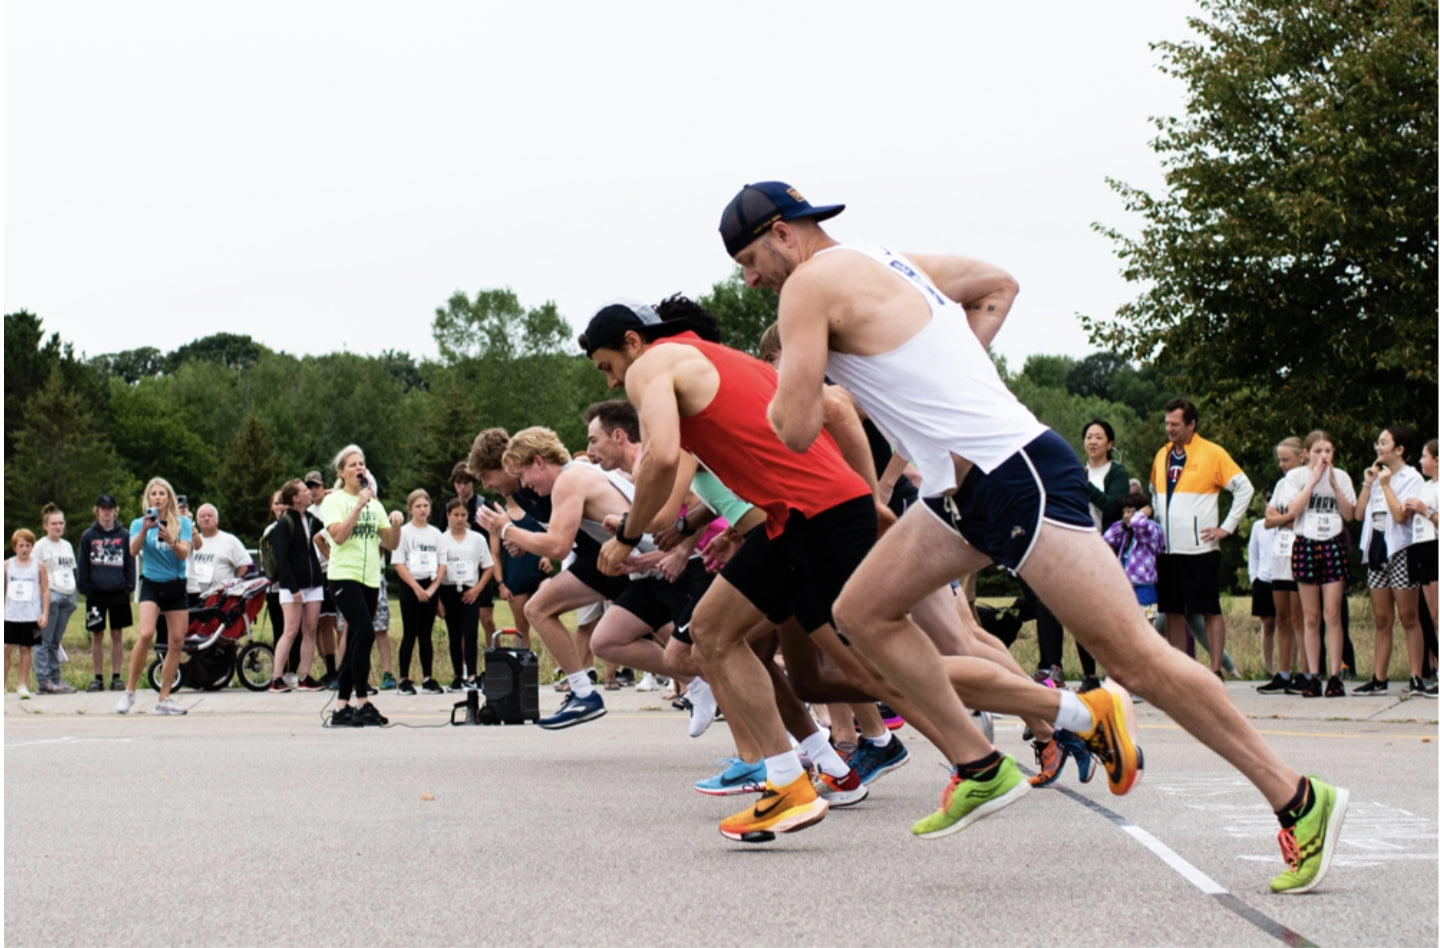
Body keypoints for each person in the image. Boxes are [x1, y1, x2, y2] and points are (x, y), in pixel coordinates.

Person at [721, 179, 1344, 892]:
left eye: (747, 259)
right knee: (861, 613)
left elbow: (796, 427)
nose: (750, 278)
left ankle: (1297, 797)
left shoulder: (806, 286)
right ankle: (980, 766)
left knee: (1135, 659)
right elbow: (996, 286)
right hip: (959, 489)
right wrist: (956, 383)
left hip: (1015, 473)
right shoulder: (888, 259)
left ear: (782, 234)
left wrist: (771, 398)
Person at [1148, 397, 1255, 676]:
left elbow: (1245, 489)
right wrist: (1155, 521)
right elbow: (1153, 490)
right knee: (1172, 609)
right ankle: (1180, 671)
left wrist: (1227, 527)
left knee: (1209, 608)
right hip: (1167, 548)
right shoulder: (1162, 455)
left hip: (1200, 547)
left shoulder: (1212, 453)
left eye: (1175, 424)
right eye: (1167, 423)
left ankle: (1216, 669)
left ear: (1191, 424)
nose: (1170, 429)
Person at [318, 447, 403, 726]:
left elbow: (389, 544)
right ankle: (362, 700)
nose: (359, 468)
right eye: (353, 465)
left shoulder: (375, 504)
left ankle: (342, 707)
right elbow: (339, 537)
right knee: (365, 633)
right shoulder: (335, 501)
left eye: (362, 464)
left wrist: (396, 524)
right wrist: (357, 506)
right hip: (344, 577)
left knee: (356, 637)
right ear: (341, 472)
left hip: (369, 579)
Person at [1274, 432, 1356, 698]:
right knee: (1310, 617)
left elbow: (1349, 514)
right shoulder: (1295, 478)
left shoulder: (1341, 477)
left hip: (1332, 541)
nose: (1324, 456)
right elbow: (1293, 510)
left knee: (1332, 614)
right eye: (1318, 451)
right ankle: (1312, 675)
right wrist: (1312, 482)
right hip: (1306, 541)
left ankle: (1335, 674)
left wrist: (1333, 484)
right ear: (1307, 453)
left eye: (1328, 451)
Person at [1355, 427, 1427, 695]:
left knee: (1409, 617)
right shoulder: (1376, 477)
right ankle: (1379, 677)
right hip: (1376, 548)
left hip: (1401, 549)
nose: (1378, 447)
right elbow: (1360, 514)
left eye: (1384, 443)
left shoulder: (1411, 477)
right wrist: (1369, 482)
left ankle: (1416, 676)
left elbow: (1400, 516)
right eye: (1378, 442)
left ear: (1399, 449)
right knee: (1382, 618)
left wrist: (1385, 485)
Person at [116, 477, 193, 716]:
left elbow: (183, 554)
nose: (158, 498)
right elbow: (132, 550)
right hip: (151, 583)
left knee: (177, 641)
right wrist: (145, 531)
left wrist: (170, 539)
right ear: (148, 498)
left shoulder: (182, 523)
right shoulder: (140, 523)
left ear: (169, 497)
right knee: (146, 633)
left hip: (175, 585)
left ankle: (164, 697)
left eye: (162, 493)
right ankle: (129, 691)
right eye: (154, 494)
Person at [268, 479, 327, 692]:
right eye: (304, 490)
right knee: (290, 630)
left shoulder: (310, 519)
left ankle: (304, 676)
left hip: (313, 583)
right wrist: (293, 588)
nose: (309, 492)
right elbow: (282, 559)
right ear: (295, 498)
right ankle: (276, 677)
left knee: (310, 630)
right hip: (292, 586)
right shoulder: (284, 524)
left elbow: (328, 528)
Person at [1260, 438, 1306, 695]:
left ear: (1302, 457)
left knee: (1300, 617)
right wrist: (1289, 518)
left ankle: (1306, 671)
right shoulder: (1281, 484)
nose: (1282, 464)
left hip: (1298, 552)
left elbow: (1302, 520)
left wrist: (1283, 518)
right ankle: (1284, 671)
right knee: (1282, 617)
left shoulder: (1307, 482)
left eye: (1286, 459)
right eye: (1279, 459)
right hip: (1279, 553)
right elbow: (1268, 518)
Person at [77, 494, 133, 692]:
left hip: (118, 591)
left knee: (117, 633)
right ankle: (98, 677)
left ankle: (116, 676)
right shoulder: (88, 536)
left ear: (115, 511)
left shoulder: (124, 535)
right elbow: (82, 564)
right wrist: (85, 589)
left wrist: (128, 586)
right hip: (96, 593)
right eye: (103, 508)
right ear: (97, 510)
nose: (107, 512)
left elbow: (130, 561)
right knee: (97, 634)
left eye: (110, 508)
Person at [437, 496, 495, 690]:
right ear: (448, 516)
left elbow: (488, 567)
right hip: (448, 588)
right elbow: (435, 571)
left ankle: (472, 674)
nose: (460, 519)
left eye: (463, 515)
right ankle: (457, 674)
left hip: (470, 589)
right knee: (454, 633)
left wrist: (477, 589)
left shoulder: (477, 539)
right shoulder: (441, 540)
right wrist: (438, 599)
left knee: (471, 632)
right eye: (455, 515)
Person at [393, 489, 445, 695]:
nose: (422, 510)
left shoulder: (435, 534)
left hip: (430, 585)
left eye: (425, 506)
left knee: (426, 634)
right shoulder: (404, 532)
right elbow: (398, 562)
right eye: (418, 506)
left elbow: (442, 563)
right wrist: (415, 587)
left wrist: (432, 589)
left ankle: (428, 677)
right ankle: (404, 679)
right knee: (410, 633)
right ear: (410, 509)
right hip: (410, 586)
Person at [1401, 439, 1438, 696]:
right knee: (1433, 614)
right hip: (1422, 547)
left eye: (1425, 456)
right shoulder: (1426, 486)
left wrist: (1426, 511)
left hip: (1435, 547)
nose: (1421, 461)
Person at [34, 504, 79, 693]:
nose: (58, 527)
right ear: (46, 525)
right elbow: (34, 573)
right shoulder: (40, 546)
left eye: (61, 523)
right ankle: (43, 680)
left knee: (55, 641)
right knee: (44, 640)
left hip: (67, 595)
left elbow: (70, 569)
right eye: (54, 524)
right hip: (50, 595)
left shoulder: (67, 545)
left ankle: (56, 679)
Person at [1103, 492, 1164, 618]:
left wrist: (1140, 515)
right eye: (1124, 512)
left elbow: (1138, 523)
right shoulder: (1127, 533)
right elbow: (1107, 537)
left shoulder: (1151, 529)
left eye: (1130, 511)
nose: (1126, 515)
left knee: (1147, 625)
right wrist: (1124, 523)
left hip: (1145, 588)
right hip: (1127, 587)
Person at [305, 470, 341, 686]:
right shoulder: (308, 512)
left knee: (339, 621)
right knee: (323, 622)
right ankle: (331, 667)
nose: (313, 491)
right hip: (317, 570)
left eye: (316, 486)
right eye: (309, 487)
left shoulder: (333, 504)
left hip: (332, 568)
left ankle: (344, 665)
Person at [5, 528, 49, 698]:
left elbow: (45, 591)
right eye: (21, 545)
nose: (24, 549)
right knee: (6, 648)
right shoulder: (7, 565)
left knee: (26, 649)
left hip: (31, 615)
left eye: (28, 545)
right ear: (15, 546)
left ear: (32, 547)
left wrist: (44, 613)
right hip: (10, 615)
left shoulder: (38, 566)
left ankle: (22, 684)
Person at [185, 503, 253, 603]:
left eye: (210, 515)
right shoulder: (192, 541)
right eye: (202, 516)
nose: (206, 518)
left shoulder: (229, 540)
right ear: (197, 521)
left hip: (220, 599)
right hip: (194, 596)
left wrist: (235, 585)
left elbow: (246, 565)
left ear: (217, 519)